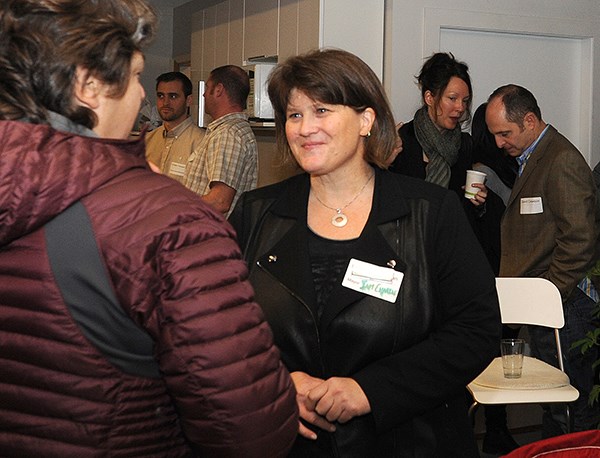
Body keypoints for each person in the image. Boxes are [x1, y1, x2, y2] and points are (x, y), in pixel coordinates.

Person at [0, 1, 298, 456]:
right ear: (88, 85)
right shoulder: (171, 225)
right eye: (136, 76)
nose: (143, 96)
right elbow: (251, 431)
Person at [229, 48, 501, 457]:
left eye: (321, 110)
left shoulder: (431, 213)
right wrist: (278, 380)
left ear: (366, 120)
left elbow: (475, 331)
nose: (304, 128)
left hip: (408, 439)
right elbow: (223, 329)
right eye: (294, 114)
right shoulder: (255, 213)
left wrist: (370, 390)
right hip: (290, 441)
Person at [486, 84, 600, 436]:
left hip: (567, 306)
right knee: (554, 401)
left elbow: (580, 237)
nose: (498, 143)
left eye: (504, 133)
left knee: (572, 405)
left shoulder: (560, 159)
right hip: (550, 305)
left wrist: (550, 292)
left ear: (531, 121)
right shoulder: (534, 156)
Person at [472, 102, 521, 455]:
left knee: (500, 351)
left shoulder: (514, 166)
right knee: (490, 352)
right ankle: (494, 429)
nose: (502, 140)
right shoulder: (481, 172)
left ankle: (497, 429)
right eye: (496, 134)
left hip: (505, 269)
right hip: (493, 271)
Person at [388, 52, 489, 219]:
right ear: (429, 97)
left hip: (448, 239)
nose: (460, 107)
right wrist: (383, 161)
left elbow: (463, 212)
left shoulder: (464, 145)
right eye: (452, 98)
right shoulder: (401, 140)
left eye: (465, 100)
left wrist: (479, 203)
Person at [183, 65, 258, 217]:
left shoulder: (228, 134)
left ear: (218, 90)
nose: (203, 94)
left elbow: (220, 201)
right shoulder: (230, 130)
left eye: (207, 87)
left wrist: (175, 207)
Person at [145, 71, 205, 183]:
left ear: (188, 100)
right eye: (161, 96)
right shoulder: (147, 140)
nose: (165, 102)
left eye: (173, 96)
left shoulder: (202, 143)